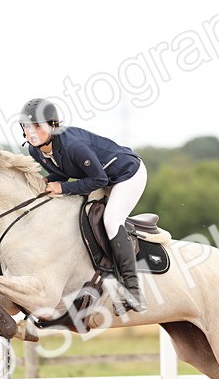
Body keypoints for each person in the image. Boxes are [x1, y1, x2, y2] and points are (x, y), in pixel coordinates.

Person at [18, 97, 147, 313]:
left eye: (37, 126)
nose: (31, 132)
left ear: (53, 125)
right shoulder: (35, 150)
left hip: (126, 174)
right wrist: (48, 179)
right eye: (27, 127)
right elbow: (64, 171)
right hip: (100, 176)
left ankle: (134, 291)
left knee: (111, 221)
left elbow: (99, 181)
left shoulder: (73, 146)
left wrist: (63, 188)